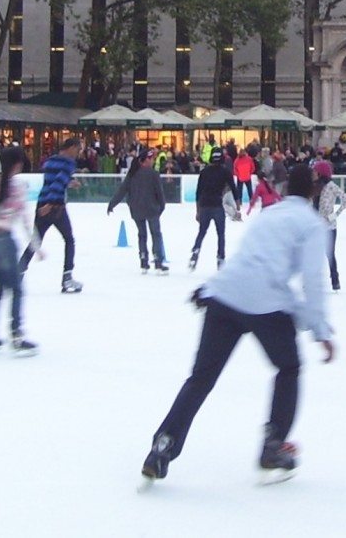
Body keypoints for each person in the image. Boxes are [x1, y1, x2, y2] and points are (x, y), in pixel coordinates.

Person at [139, 164, 335, 487]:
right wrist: (321, 330)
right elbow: (314, 280)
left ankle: (164, 444)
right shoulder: (312, 225)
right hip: (267, 303)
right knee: (288, 369)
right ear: (316, 190)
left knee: (201, 379)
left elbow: (244, 258)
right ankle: (273, 446)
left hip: (226, 295)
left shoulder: (270, 215)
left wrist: (211, 287)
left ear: (285, 189)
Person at [0, 146, 39, 355]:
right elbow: (25, 221)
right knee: (16, 288)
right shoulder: (18, 187)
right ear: (18, 164)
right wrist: (36, 246)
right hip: (3, 239)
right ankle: (17, 334)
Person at [19, 137, 84, 293]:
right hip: (55, 206)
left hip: (42, 203)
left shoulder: (50, 161)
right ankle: (67, 278)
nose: (78, 153)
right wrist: (50, 204)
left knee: (36, 241)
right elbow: (57, 183)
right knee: (69, 240)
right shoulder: (68, 163)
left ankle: (17, 273)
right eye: (78, 149)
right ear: (72, 147)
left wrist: (69, 183)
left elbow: (53, 180)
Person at [109, 150, 169, 274]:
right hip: (152, 210)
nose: (152, 161)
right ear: (143, 161)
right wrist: (161, 207)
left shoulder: (132, 174)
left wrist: (112, 204)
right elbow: (160, 193)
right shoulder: (153, 174)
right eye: (150, 158)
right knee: (156, 234)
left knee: (142, 235)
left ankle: (143, 261)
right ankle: (158, 261)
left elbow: (122, 190)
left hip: (136, 210)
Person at [189, 147, 233, 271]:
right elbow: (233, 186)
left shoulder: (205, 172)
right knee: (220, 234)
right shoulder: (224, 172)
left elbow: (198, 192)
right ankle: (220, 257)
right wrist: (238, 203)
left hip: (204, 205)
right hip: (217, 206)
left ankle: (196, 251)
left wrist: (197, 210)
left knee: (202, 231)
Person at [313, 160, 346, 292]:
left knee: (330, 254)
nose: (313, 174)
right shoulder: (313, 187)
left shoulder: (331, 186)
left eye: (315, 171)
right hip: (314, 226)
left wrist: (335, 215)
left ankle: (335, 281)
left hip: (329, 227)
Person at [232, 148, 255, 216]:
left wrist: (238, 175)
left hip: (240, 178)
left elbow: (234, 169)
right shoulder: (249, 159)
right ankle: (252, 201)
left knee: (239, 190)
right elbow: (253, 167)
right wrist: (249, 173)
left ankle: (239, 202)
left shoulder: (237, 160)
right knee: (249, 190)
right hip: (247, 177)